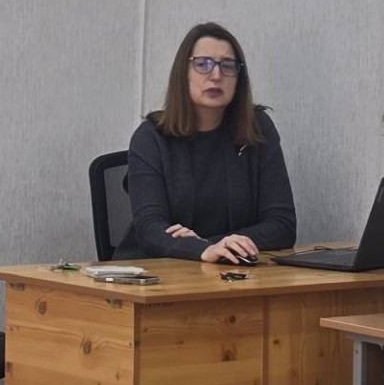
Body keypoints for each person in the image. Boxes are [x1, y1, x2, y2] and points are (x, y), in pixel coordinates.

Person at [119, 22, 296, 263]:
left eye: (227, 66)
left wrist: (211, 246)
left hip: (228, 271)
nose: (216, 75)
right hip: (158, 271)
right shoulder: (151, 137)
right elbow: (150, 228)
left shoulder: (256, 129)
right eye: (202, 64)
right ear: (183, 73)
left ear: (239, 78)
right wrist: (201, 249)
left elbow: (283, 225)